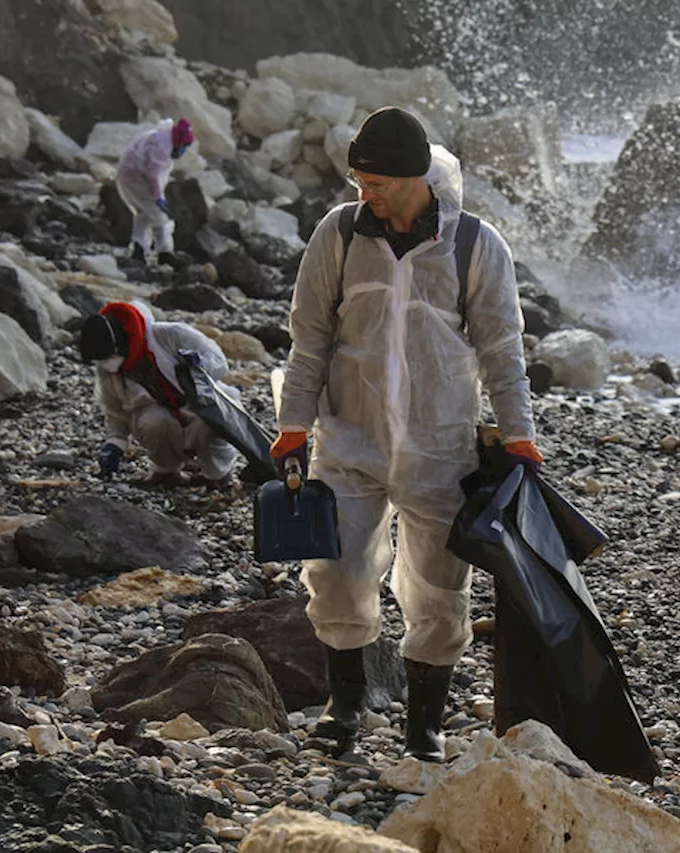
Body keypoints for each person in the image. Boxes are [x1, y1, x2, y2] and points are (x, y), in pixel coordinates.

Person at [272, 106, 543, 762]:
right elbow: (308, 339)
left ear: (416, 176)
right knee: (334, 571)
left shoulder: (476, 245)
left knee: (441, 588)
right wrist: (292, 425)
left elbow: (503, 351)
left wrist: (520, 436)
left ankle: (424, 724)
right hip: (349, 441)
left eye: (379, 182)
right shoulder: (336, 235)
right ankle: (346, 702)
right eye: (360, 179)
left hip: (441, 447)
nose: (366, 192)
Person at [78, 300, 238, 488]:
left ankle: (217, 474)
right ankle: (165, 471)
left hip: (200, 408)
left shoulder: (170, 335)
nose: (105, 364)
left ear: (121, 344)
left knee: (211, 419)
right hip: (163, 422)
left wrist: (199, 368)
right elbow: (115, 412)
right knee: (152, 421)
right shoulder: (109, 369)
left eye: (107, 358)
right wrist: (114, 445)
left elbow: (219, 361)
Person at [116, 118, 194, 266]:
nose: (183, 149)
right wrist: (158, 198)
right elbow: (152, 175)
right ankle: (164, 253)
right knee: (161, 217)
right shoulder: (161, 147)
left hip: (130, 177)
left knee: (143, 214)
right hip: (137, 180)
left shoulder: (160, 137)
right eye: (184, 146)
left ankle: (138, 249)